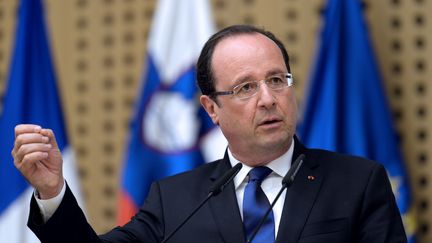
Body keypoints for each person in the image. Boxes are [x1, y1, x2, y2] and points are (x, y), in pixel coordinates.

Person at [13, 25, 407, 243]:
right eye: (245, 87)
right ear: (211, 109)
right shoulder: (175, 200)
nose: (268, 99)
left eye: (277, 80)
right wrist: (52, 192)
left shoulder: (357, 182)